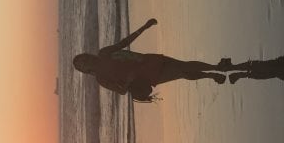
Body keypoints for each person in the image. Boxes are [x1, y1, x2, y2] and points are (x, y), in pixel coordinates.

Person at [72, 18, 230, 101]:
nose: (84, 62)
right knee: (181, 72)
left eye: (82, 59)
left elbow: (124, 43)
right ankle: (212, 73)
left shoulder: (103, 53)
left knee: (184, 65)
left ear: (87, 55)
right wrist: (129, 80)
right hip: (146, 77)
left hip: (146, 60)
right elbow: (121, 91)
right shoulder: (101, 79)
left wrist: (144, 27)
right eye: (81, 65)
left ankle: (215, 69)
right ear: (85, 70)